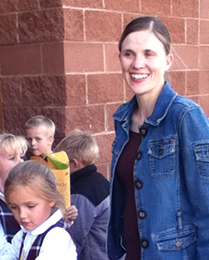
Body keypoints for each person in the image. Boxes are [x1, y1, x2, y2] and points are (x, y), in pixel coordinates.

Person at [107, 16, 209, 260]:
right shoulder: (123, 119)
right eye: (128, 54)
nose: (137, 63)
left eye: (149, 54)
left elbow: (207, 206)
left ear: (167, 61)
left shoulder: (185, 117)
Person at [0, 160, 78, 260]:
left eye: (30, 206)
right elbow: (9, 255)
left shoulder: (57, 238)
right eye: (14, 207)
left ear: (51, 199)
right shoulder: (24, 234)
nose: (22, 215)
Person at [54, 129, 110, 260]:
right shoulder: (100, 181)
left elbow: (72, 239)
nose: (56, 169)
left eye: (60, 164)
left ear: (74, 163)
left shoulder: (81, 194)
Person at [25, 115, 78, 221]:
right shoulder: (26, 164)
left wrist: (71, 211)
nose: (33, 143)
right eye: (29, 139)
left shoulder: (61, 163)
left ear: (50, 140)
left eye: (37, 139)